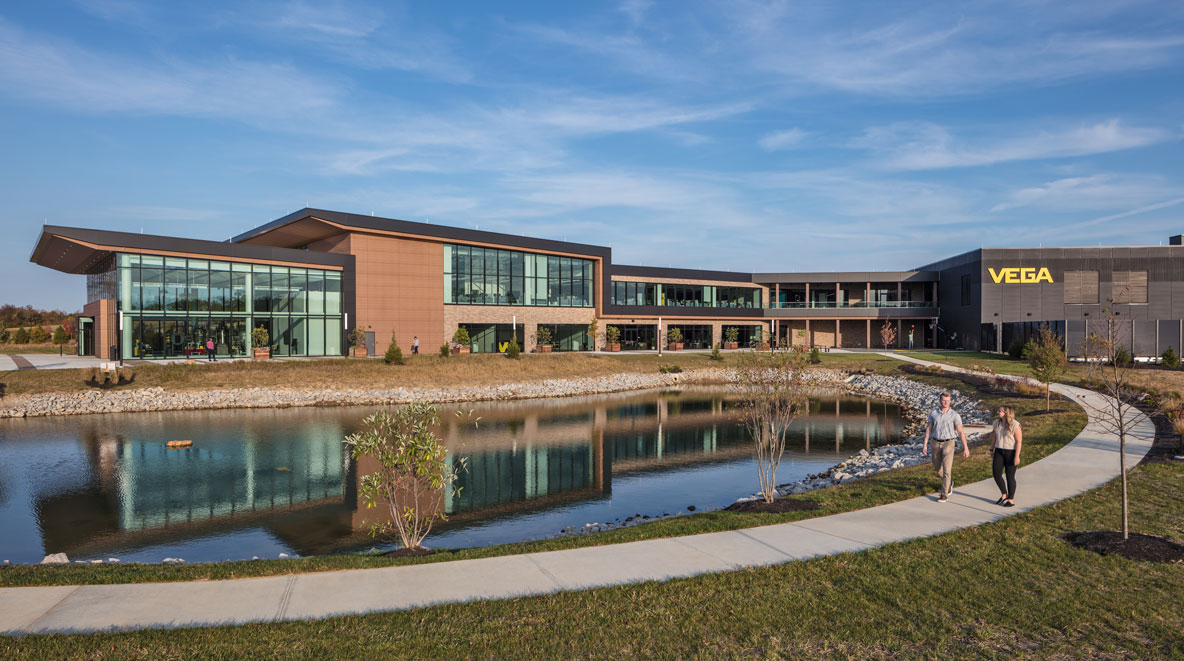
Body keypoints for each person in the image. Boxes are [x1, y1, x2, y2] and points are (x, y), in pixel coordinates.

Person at [922, 392, 969, 502]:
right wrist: (925, 444)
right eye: (944, 400)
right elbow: (929, 429)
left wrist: (965, 448)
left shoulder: (955, 415)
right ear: (940, 401)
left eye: (948, 401)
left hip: (949, 442)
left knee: (947, 469)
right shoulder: (933, 414)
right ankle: (949, 482)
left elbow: (960, 432)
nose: (946, 402)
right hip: (935, 442)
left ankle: (944, 493)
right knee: (938, 469)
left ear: (950, 401)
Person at [991, 405, 1023, 507]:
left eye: (1000, 411)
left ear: (1006, 413)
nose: (998, 412)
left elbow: (1019, 442)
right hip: (999, 451)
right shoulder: (996, 423)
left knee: (1010, 477)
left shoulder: (1015, 425)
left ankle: (1011, 499)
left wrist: (1017, 456)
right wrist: (991, 449)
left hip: (1011, 452)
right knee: (996, 474)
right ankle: (1004, 494)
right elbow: (994, 437)